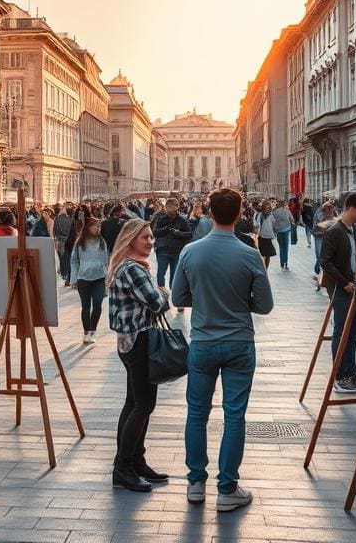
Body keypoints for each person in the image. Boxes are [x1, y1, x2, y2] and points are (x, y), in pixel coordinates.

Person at [172, 189, 273, 511]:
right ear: (240, 212)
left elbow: (178, 298)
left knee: (197, 413)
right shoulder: (249, 253)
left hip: (202, 341)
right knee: (234, 416)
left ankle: (195, 484)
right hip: (239, 342)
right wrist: (240, 301)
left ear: (209, 212)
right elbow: (265, 305)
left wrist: (203, 298)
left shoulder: (190, 251)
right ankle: (227, 489)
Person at [108, 218, 170, 493]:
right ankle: (123, 468)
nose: (151, 241)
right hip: (140, 340)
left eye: (152, 237)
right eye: (145, 237)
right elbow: (157, 303)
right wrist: (162, 293)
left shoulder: (127, 267)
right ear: (131, 239)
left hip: (129, 341)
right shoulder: (132, 269)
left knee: (133, 403)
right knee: (142, 405)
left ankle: (134, 461)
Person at [318, 192, 356, 394]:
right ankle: (340, 376)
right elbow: (325, 261)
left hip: (355, 285)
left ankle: (351, 371)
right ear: (350, 208)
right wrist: (344, 283)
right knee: (342, 331)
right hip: (341, 288)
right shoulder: (335, 231)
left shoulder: (355, 231)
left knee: (353, 331)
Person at [70, 215, 109, 345]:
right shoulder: (80, 242)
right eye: (95, 226)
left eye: (98, 226)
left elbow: (106, 260)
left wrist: (107, 277)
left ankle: (93, 330)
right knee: (86, 307)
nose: (97, 228)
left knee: (97, 306)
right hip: (83, 279)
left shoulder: (102, 241)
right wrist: (73, 278)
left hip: (99, 278)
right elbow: (74, 261)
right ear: (88, 228)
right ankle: (86, 332)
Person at [150, 198, 191, 291]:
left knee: (175, 274)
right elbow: (154, 232)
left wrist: (178, 233)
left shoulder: (182, 220)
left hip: (176, 251)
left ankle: (173, 293)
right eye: (170, 208)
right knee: (161, 273)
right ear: (167, 207)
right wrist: (166, 229)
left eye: (175, 207)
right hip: (162, 250)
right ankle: (162, 293)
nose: (172, 210)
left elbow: (189, 234)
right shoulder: (160, 218)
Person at [312, 202, 336, 280]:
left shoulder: (334, 214)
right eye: (328, 211)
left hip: (328, 236)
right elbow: (316, 225)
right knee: (319, 253)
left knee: (325, 254)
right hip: (319, 235)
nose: (330, 212)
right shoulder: (319, 213)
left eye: (331, 211)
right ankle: (318, 269)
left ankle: (319, 269)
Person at [271, 200, 295, 270]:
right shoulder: (287, 211)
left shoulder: (274, 212)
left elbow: (272, 222)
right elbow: (292, 220)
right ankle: (286, 263)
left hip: (278, 231)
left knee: (281, 247)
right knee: (286, 247)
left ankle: (282, 263)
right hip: (286, 230)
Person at [254, 201, 276, 269]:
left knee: (261, 253)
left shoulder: (260, 214)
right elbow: (274, 223)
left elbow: (257, 225)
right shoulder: (271, 214)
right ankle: (265, 269)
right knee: (267, 254)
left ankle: (262, 268)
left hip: (261, 236)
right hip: (268, 236)